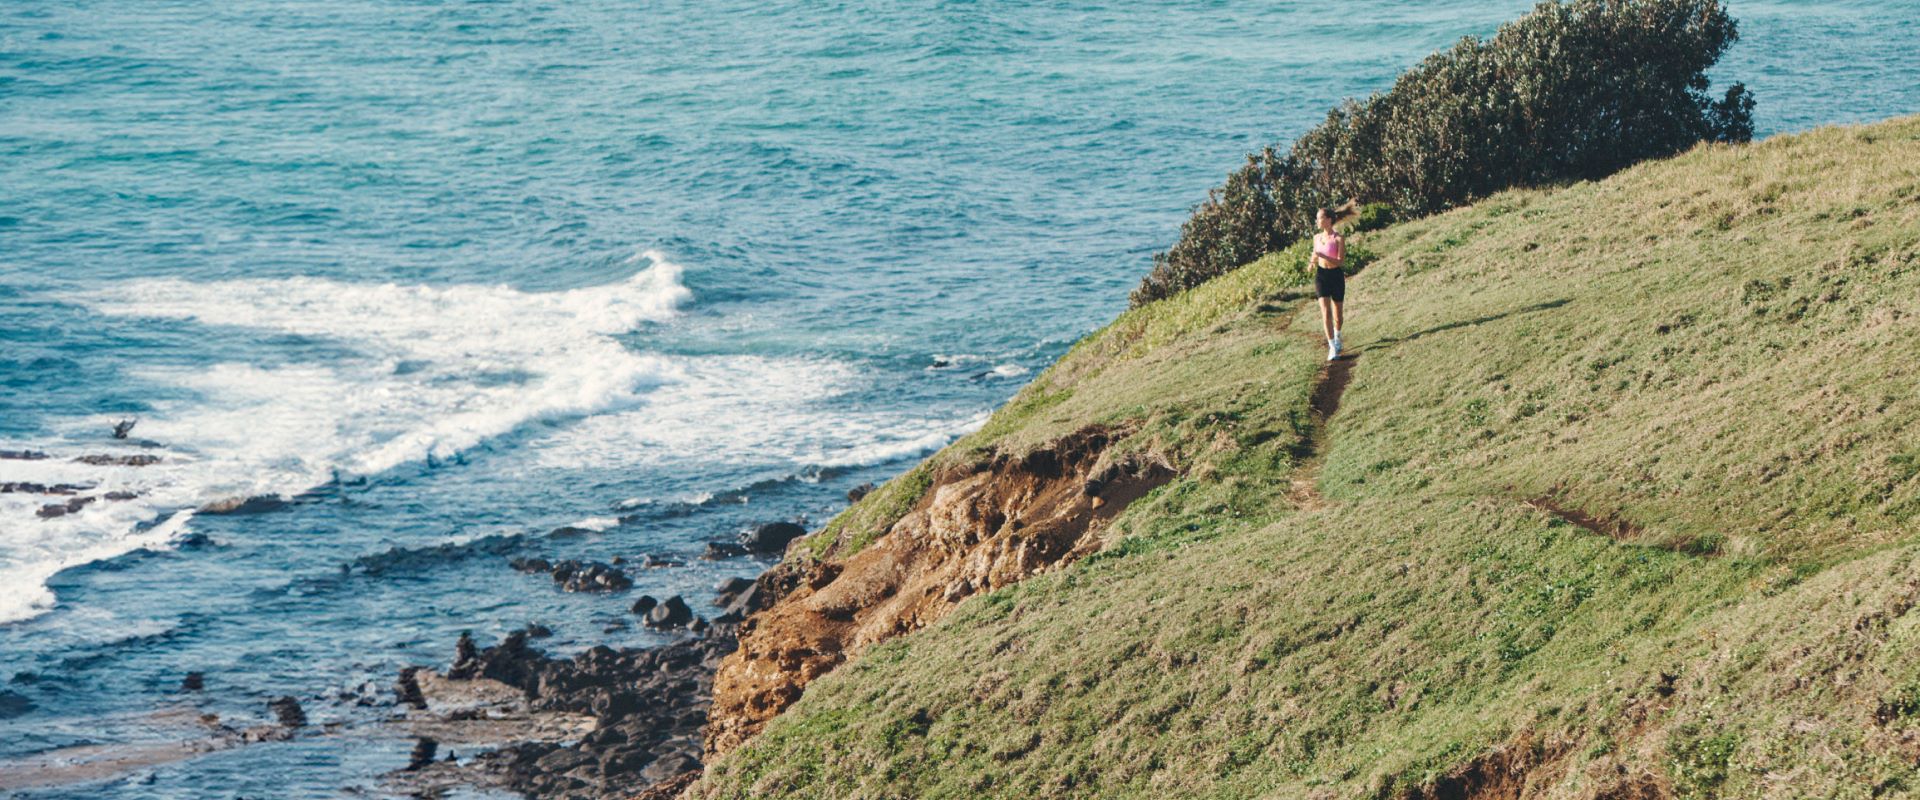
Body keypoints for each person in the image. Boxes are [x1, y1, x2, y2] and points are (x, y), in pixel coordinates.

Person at [1310, 207, 1346, 361]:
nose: (1317, 221)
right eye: (1317, 218)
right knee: (1325, 312)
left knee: (1338, 314)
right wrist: (1312, 263)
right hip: (1321, 276)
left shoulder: (1339, 238)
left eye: (1319, 218)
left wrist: (1323, 255)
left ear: (1328, 220)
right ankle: (1332, 347)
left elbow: (1340, 261)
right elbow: (1315, 252)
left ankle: (1337, 337)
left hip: (1336, 275)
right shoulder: (1316, 237)